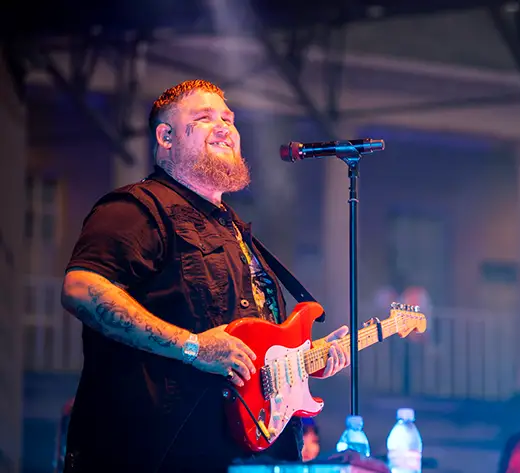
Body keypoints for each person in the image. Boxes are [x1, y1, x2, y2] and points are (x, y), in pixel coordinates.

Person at [60, 79, 351, 473]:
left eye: (228, 118)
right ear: (166, 136)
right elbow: (81, 288)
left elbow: (251, 351)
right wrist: (192, 346)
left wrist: (304, 360)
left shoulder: (236, 231)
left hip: (251, 454)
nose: (224, 126)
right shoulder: (136, 209)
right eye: (203, 117)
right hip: (163, 451)